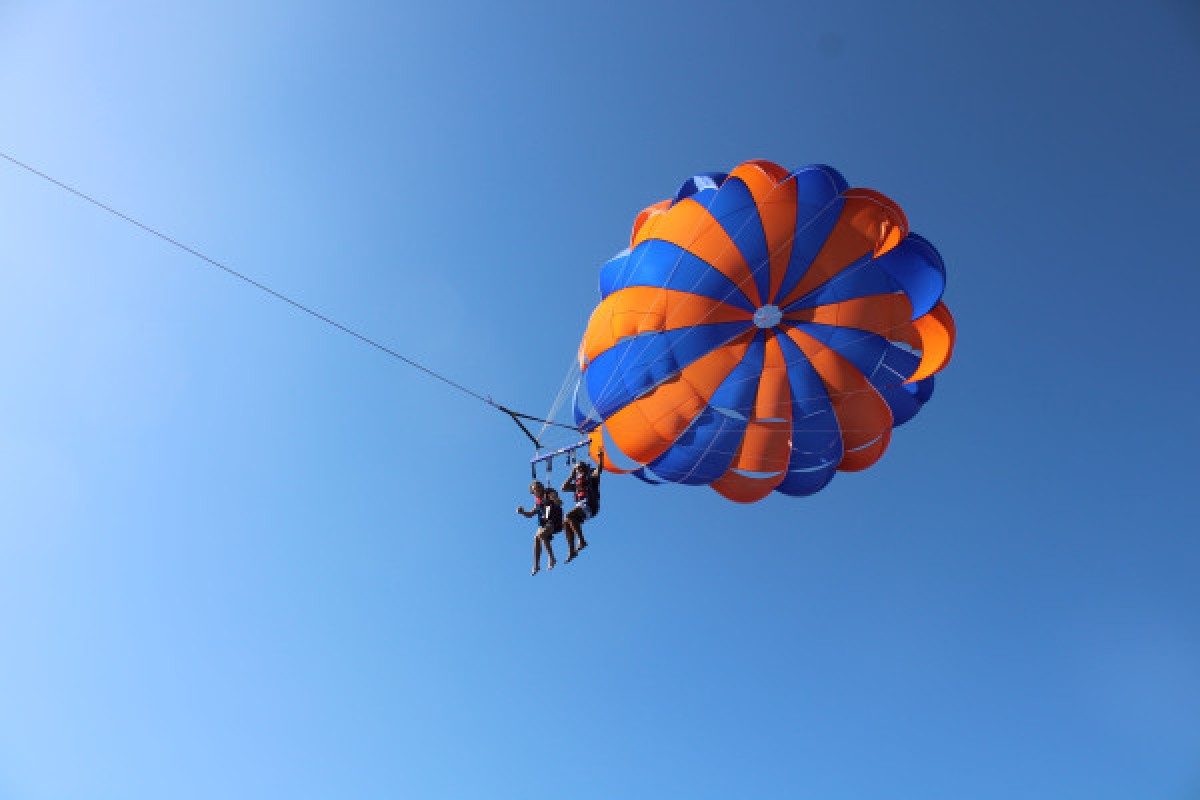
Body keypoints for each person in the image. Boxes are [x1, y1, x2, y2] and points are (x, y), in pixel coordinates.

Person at [560, 455, 602, 562]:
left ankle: (582, 541)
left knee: (569, 515)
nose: (580, 470)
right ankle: (571, 551)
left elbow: (599, 469)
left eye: (582, 468)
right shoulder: (577, 485)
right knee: (565, 522)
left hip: (590, 505)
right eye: (578, 469)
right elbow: (563, 488)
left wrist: (600, 457)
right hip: (581, 506)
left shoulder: (592, 479)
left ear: (587, 469)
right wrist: (571, 476)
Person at [516, 480, 560, 576]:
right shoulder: (538, 502)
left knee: (541, 534)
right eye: (536, 490)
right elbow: (531, 514)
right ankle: (536, 565)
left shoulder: (549, 493)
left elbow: (555, 498)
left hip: (555, 522)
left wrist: (555, 499)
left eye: (539, 487)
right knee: (536, 538)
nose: (538, 490)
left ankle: (551, 557)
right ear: (533, 492)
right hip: (545, 524)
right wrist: (522, 512)